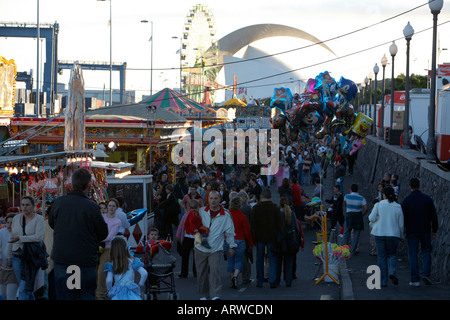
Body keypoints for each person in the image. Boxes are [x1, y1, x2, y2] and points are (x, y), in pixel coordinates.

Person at [49, 167, 108, 300]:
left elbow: (52, 223)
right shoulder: (92, 206)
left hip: (63, 258)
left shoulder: (59, 203)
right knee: (86, 294)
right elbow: (103, 232)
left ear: (72, 184)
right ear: (88, 185)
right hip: (85, 260)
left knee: (65, 295)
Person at [194, 191, 236, 300]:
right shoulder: (201, 211)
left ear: (220, 199)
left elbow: (230, 232)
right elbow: (191, 223)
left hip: (215, 249)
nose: (213, 200)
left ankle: (215, 295)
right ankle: (203, 295)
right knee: (201, 274)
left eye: (215, 198)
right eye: (211, 198)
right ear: (208, 199)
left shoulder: (225, 215)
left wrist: (232, 246)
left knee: (215, 272)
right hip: (200, 248)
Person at [401, 178, 438, 286]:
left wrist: (402, 230)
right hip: (425, 229)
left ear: (410, 186)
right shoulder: (427, 199)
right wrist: (434, 230)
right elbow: (433, 216)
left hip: (411, 231)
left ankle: (414, 279)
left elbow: (402, 217)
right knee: (426, 251)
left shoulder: (406, 200)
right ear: (419, 185)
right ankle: (426, 274)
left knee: (413, 254)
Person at [8, 196, 45, 300]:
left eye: (27, 205)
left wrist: (20, 238)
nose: (24, 207)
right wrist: (8, 255)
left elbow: (38, 237)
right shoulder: (16, 218)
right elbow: (12, 238)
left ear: (33, 206)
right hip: (16, 255)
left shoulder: (39, 219)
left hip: (31, 257)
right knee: (25, 286)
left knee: (24, 286)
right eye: (23, 205)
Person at [368, 186, 404, 287]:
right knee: (392, 255)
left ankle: (383, 281)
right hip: (393, 234)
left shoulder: (379, 205)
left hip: (379, 233)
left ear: (384, 195)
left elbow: (371, 218)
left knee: (382, 256)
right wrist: (401, 236)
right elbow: (401, 224)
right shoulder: (398, 207)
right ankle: (392, 272)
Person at [250, 188, 283, 288]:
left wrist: (253, 239)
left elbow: (253, 225)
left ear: (261, 196)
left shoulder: (256, 208)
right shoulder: (275, 208)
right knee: (272, 258)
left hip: (259, 237)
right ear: (270, 196)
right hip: (272, 236)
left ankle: (259, 280)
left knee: (259, 258)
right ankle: (272, 280)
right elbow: (280, 224)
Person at [225, 197, 254, 289]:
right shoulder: (242, 216)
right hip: (240, 240)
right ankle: (235, 276)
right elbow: (247, 231)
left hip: (228, 240)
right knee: (239, 260)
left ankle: (232, 279)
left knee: (230, 261)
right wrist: (251, 243)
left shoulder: (226, 215)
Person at [96, 198, 122, 300]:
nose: (111, 208)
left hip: (107, 249)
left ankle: (100, 295)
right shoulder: (101, 217)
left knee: (101, 272)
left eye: (113, 206)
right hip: (97, 247)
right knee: (95, 271)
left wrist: (96, 239)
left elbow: (110, 237)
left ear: (116, 208)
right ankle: (97, 292)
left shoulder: (117, 221)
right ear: (107, 206)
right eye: (110, 205)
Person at [275, 198, 302, 287]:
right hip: (290, 239)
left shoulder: (278, 214)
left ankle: (277, 280)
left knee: (278, 261)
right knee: (289, 261)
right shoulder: (291, 213)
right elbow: (296, 228)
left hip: (279, 240)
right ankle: (288, 280)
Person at [342, 184, 368, 256]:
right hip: (358, 216)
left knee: (346, 233)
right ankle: (353, 251)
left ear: (350, 189)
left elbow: (345, 204)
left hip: (349, 215)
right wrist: (362, 214)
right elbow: (366, 208)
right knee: (356, 234)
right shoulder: (362, 198)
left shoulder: (346, 196)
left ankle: (344, 250)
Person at [0, 213, 18, 300]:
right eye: (8, 222)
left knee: (11, 296)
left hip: (14, 269)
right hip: (2, 268)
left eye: (12, 222)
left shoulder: (18, 234)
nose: (9, 225)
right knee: (3, 295)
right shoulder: (2, 232)